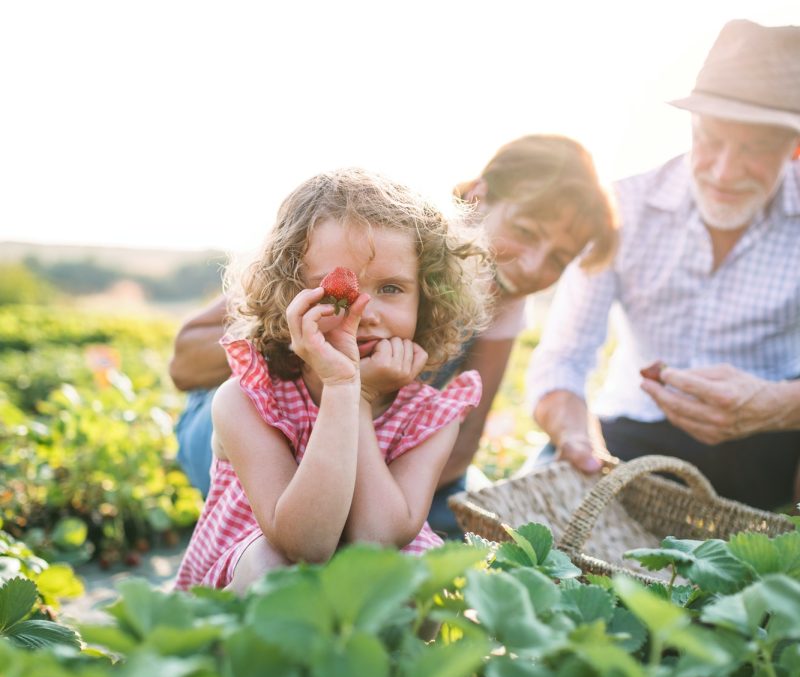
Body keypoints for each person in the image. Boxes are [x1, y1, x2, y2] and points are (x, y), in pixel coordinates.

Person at [169, 135, 618, 537]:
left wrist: (368, 454)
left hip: (375, 445)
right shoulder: (374, 233)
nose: (534, 266)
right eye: (524, 232)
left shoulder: (504, 300)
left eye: (558, 258)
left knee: (470, 513)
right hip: (267, 430)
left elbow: (460, 447)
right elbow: (184, 363)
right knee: (305, 510)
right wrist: (304, 340)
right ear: (478, 196)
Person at [174, 167, 493, 593]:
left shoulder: (431, 415)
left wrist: (358, 398)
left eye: (392, 289)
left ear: (428, 297)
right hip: (250, 591)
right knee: (278, 568)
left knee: (422, 575)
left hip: (359, 591)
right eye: (338, 293)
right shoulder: (249, 399)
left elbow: (378, 540)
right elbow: (305, 545)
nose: (366, 312)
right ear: (289, 296)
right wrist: (345, 389)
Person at [526, 19, 800, 511]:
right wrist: (574, 439)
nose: (723, 172)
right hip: (634, 435)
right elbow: (564, 358)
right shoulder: (623, 210)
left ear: (794, 148)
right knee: (545, 509)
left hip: (779, 440)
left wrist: (778, 406)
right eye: (711, 140)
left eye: (755, 149)